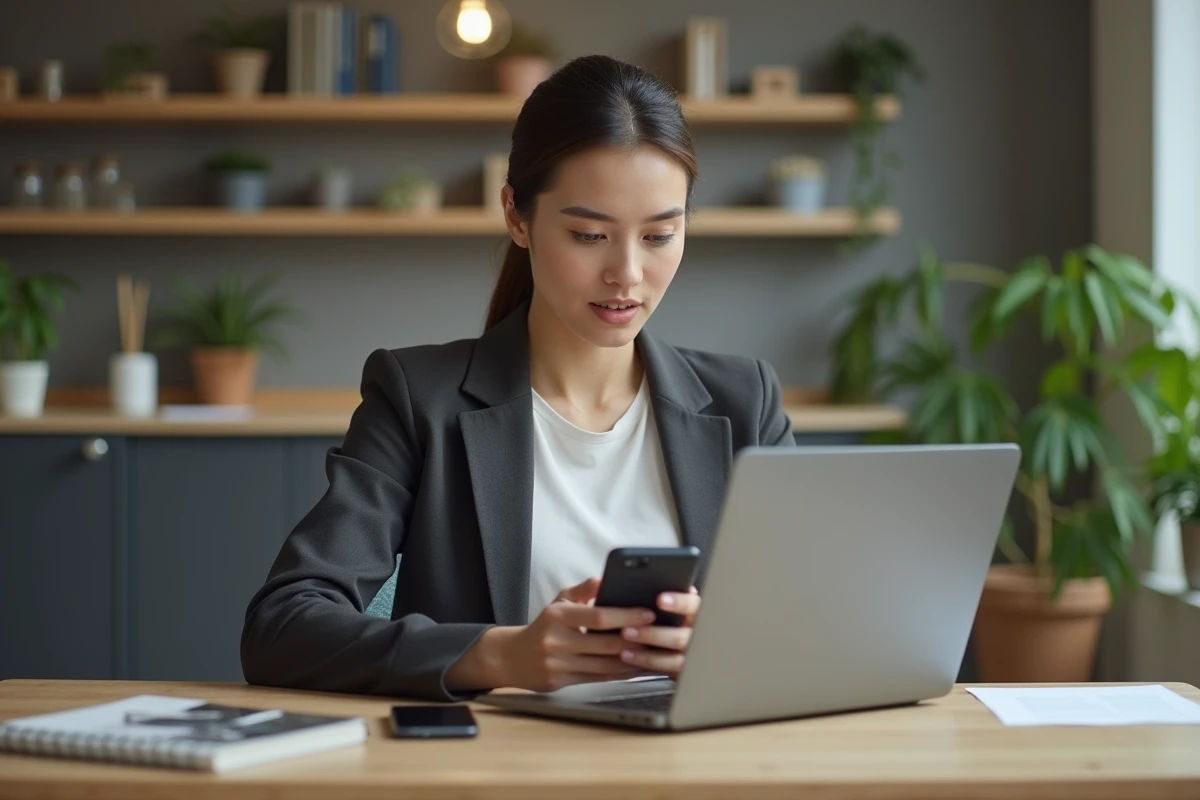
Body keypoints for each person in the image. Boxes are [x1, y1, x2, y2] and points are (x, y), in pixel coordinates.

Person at [241, 54, 794, 702]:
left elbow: (818, 620)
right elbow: (282, 626)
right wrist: (502, 654)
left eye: (659, 234)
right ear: (517, 216)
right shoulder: (420, 399)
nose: (627, 273)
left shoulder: (744, 402)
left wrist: (726, 643)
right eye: (590, 235)